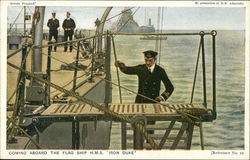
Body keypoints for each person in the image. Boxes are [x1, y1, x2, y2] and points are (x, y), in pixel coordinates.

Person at [115, 50, 174, 134]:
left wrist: (161, 97)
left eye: (150, 60)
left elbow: (170, 87)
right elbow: (128, 70)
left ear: (155, 59)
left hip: (153, 104)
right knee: (138, 130)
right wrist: (120, 65)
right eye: (146, 60)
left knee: (149, 131)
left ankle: (149, 146)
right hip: (139, 103)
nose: (148, 62)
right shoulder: (140, 69)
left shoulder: (160, 71)